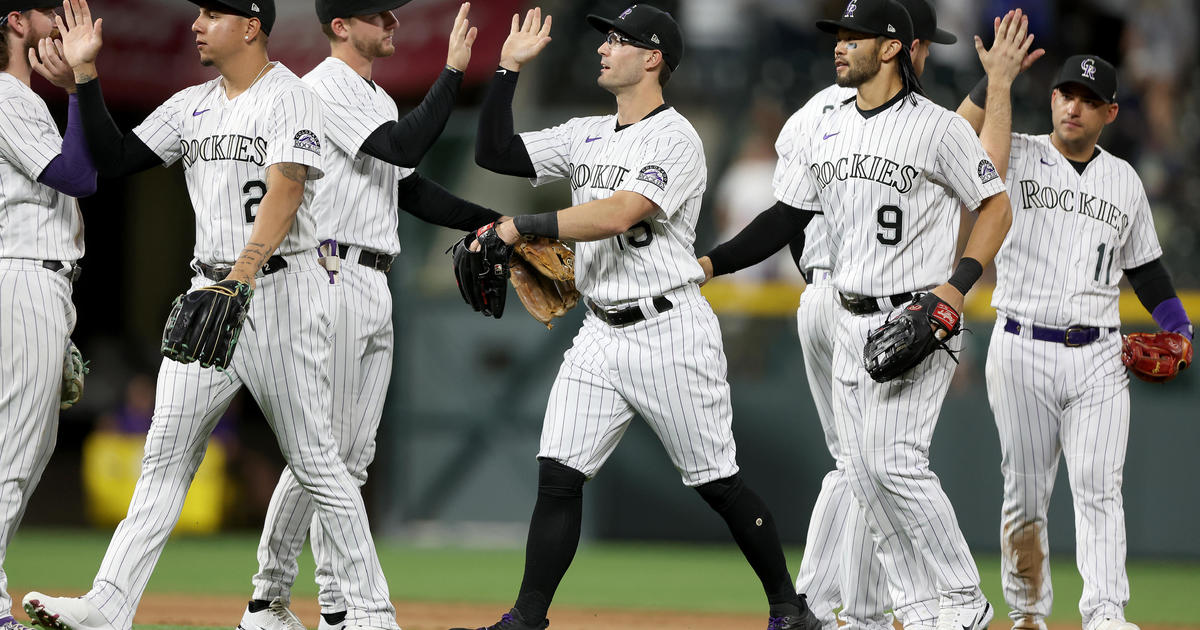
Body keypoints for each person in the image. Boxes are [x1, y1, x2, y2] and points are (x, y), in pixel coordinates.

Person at [21, 2, 400, 630]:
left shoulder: (293, 97)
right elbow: (115, 161)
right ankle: (107, 606)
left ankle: (370, 613)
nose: (196, 24)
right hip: (208, 293)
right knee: (163, 463)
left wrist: (244, 271)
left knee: (317, 461)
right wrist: (84, 81)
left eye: (212, 14)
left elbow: (289, 186)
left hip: (277, 292)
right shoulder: (189, 104)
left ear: (250, 26)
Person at [455, 5, 820, 630]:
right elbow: (493, 151)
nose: (603, 48)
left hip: (668, 330)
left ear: (653, 59)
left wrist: (521, 225)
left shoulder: (677, 137)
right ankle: (528, 618)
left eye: (620, 41)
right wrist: (508, 70)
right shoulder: (586, 133)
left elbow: (621, 212)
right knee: (559, 474)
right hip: (599, 329)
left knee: (718, 484)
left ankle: (789, 606)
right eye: (604, 38)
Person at [701, 1, 1012, 628]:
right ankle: (889, 610)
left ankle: (960, 601)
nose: (839, 45)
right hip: (843, 311)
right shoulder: (828, 122)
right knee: (864, 471)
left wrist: (955, 290)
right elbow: (787, 219)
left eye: (854, 36)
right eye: (837, 35)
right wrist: (709, 266)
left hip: (917, 315)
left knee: (890, 464)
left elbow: (996, 206)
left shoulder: (935, 126)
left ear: (893, 47)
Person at [240, 2, 504, 630]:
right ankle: (295, 599)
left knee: (348, 460)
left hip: (372, 278)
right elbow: (403, 145)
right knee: (324, 457)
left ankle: (297, 602)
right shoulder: (321, 88)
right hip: (328, 272)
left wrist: (491, 222)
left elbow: (409, 186)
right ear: (340, 25)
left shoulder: (373, 96)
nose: (391, 23)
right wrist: (453, 73)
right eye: (377, 15)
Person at [957, 17, 1194, 630]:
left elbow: (1147, 271)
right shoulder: (1018, 154)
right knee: (1026, 495)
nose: (1075, 108)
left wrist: (1180, 327)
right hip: (1021, 345)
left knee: (1099, 487)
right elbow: (962, 141)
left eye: (1091, 101)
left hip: (1098, 354)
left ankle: (1106, 613)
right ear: (1053, 97)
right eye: (1067, 95)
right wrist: (994, 83)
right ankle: (1028, 613)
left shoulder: (1124, 180)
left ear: (1110, 113)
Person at [0, 2, 96, 629]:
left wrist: (71, 91)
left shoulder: (19, 97)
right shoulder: (8, 95)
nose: (57, 17)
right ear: (13, 21)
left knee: (25, 452)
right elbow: (77, 174)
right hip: (25, 275)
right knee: (15, 453)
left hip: (35, 278)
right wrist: (79, 87)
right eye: (44, 9)